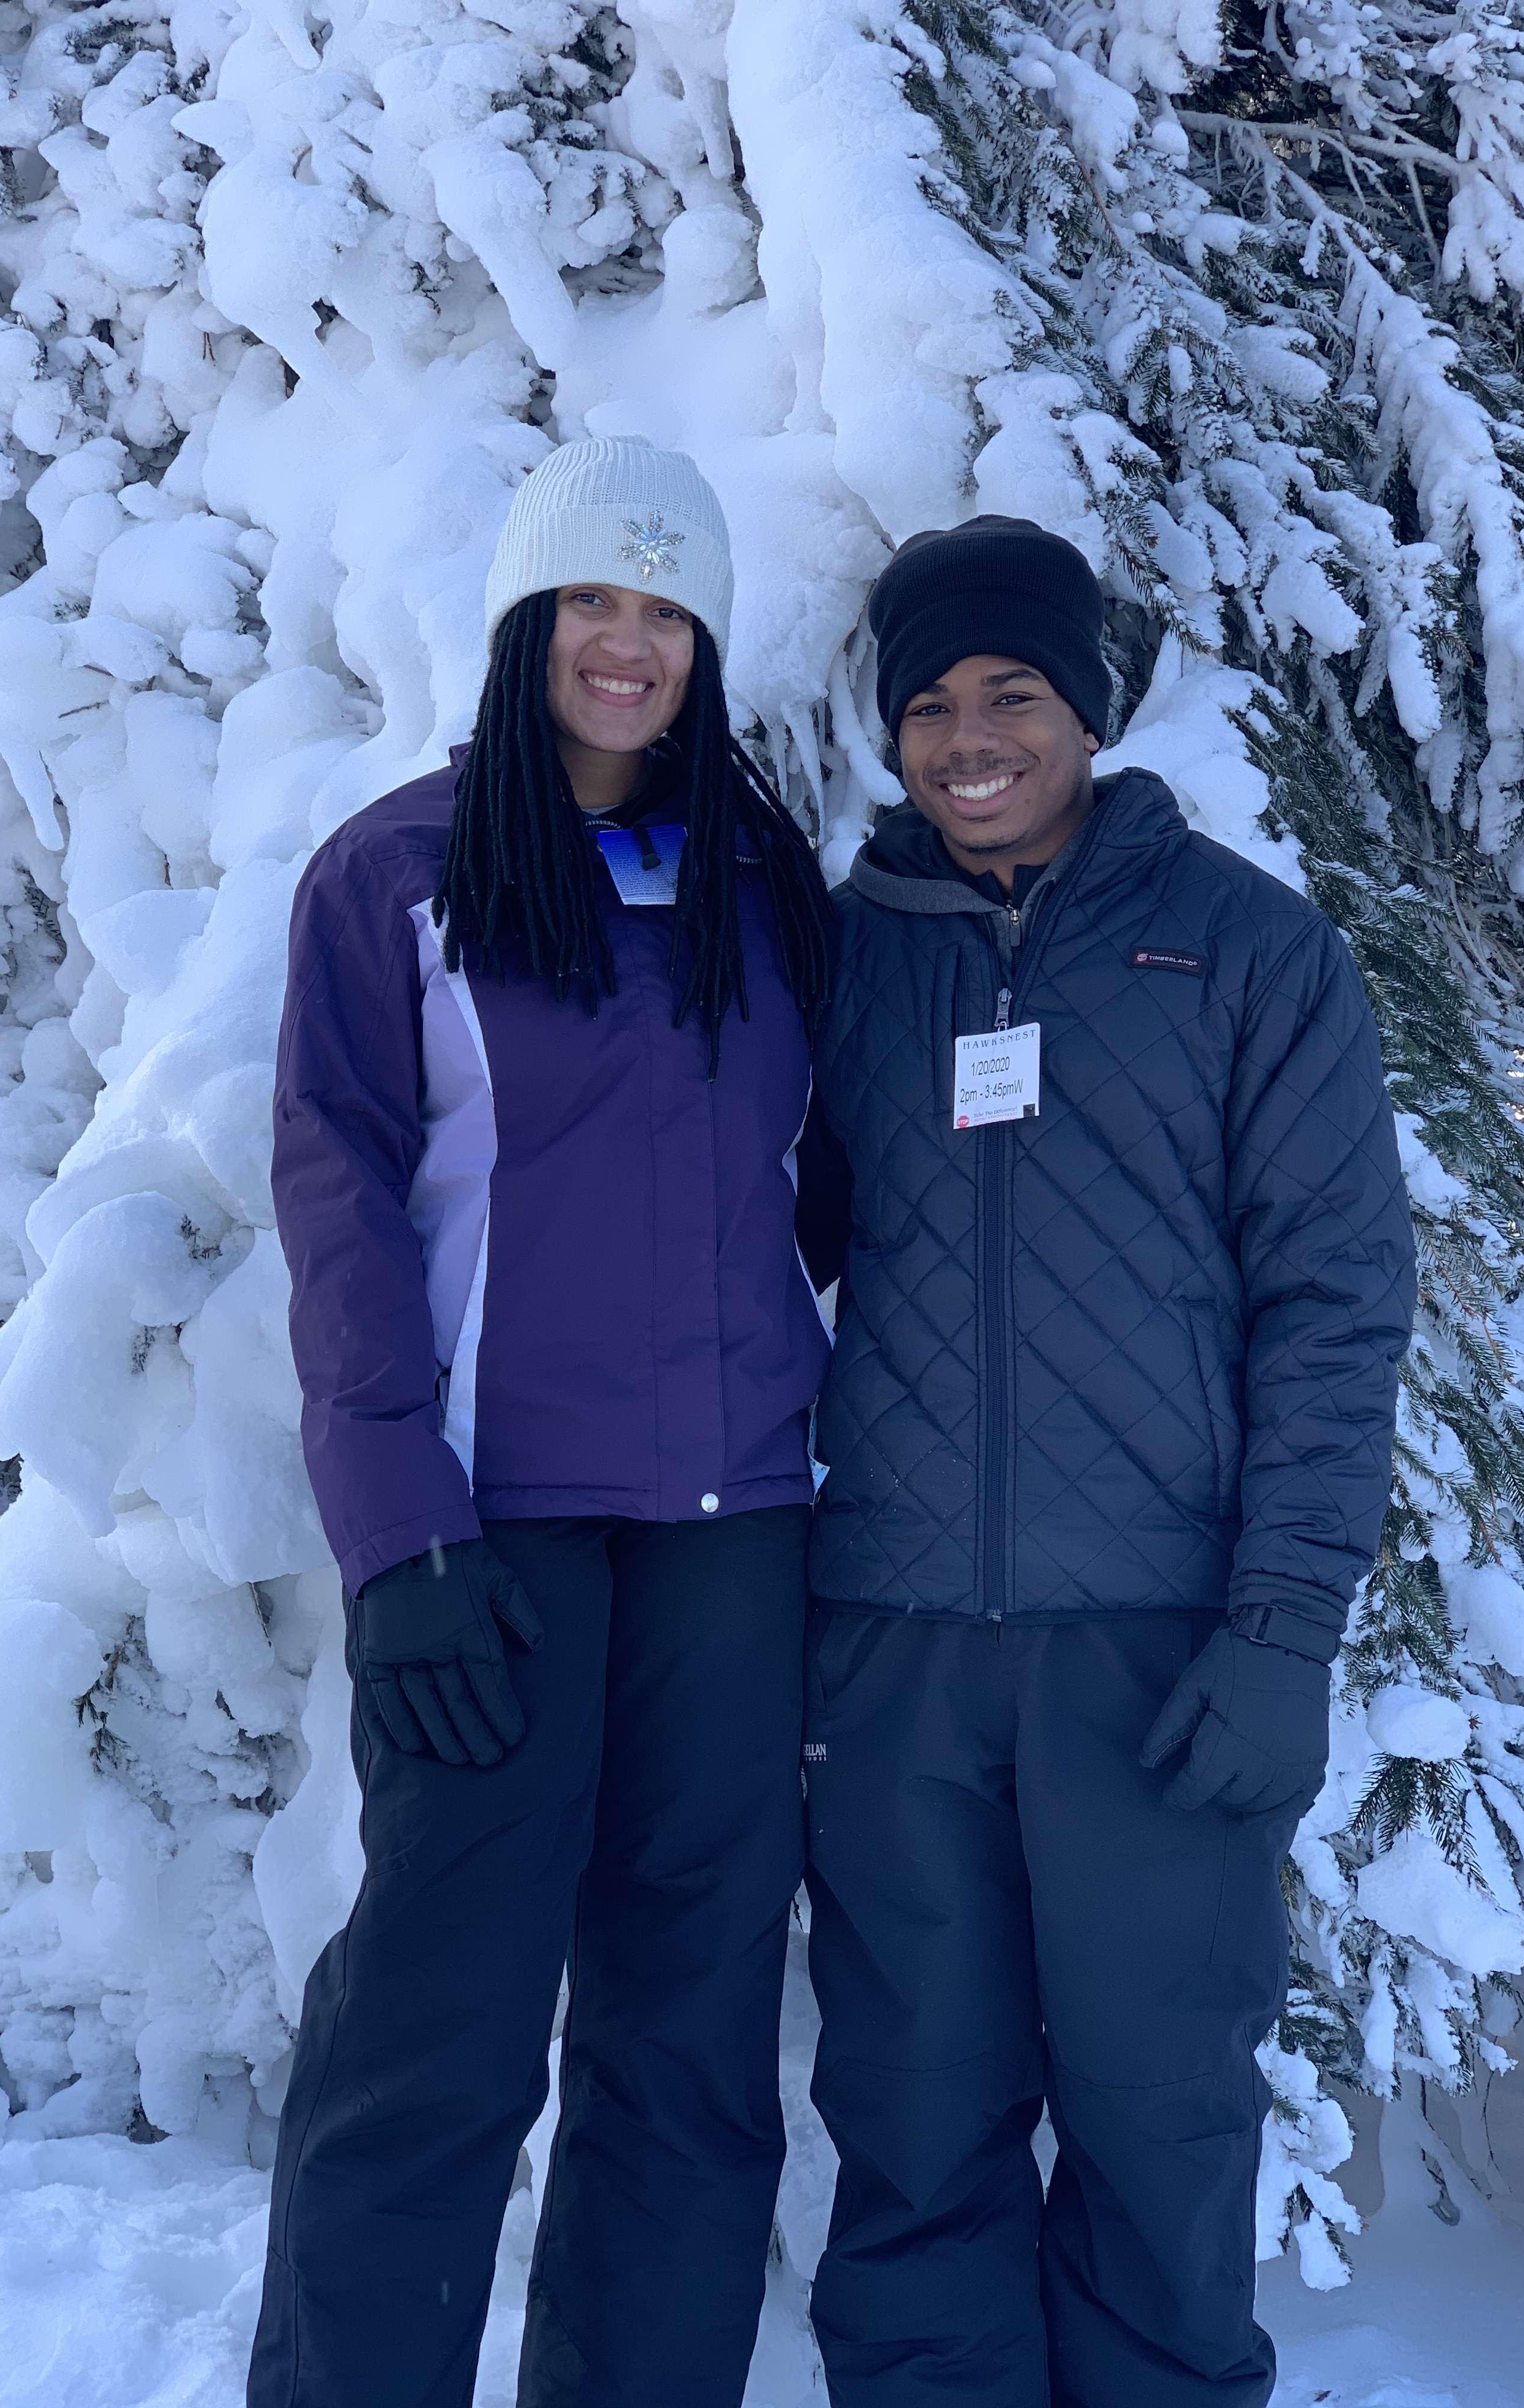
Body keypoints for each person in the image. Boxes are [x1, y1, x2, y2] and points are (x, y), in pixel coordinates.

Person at [799, 516, 1418, 2407]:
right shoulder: (841, 958)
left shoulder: (1245, 952)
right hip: (895, 1649)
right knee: (914, 2123)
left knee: (1163, 2125)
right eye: (929, 706)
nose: (969, 740)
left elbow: (1333, 1309)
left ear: (1090, 712)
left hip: (1157, 1659)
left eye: (1013, 695)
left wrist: (1282, 1632)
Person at [250, 436, 839, 2408]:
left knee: (688, 2053)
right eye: (593, 596)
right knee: (437, 2034)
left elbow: (826, 1183)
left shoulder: (761, 879)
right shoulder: (396, 875)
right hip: (490, 1541)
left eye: (665, 608)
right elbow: (338, 1208)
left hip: (734, 1539)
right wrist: (396, 1532)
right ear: (526, 620)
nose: (628, 642)